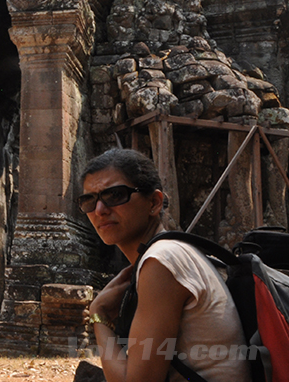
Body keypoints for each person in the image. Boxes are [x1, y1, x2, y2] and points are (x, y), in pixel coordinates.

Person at [81, 148, 251, 382]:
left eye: (115, 195)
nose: (99, 210)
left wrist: (98, 315)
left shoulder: (162, 260)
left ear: (154, 202)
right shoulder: (171, 251)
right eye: (89, 200)